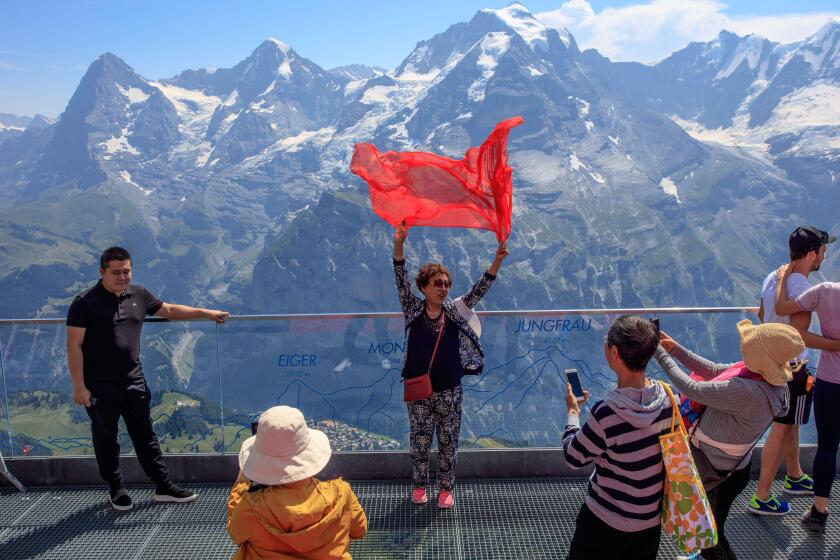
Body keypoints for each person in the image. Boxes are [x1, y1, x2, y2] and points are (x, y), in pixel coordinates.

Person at [66, 246, 229, 511]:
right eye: (116, 272)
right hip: (99, 386)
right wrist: (78, 386)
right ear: (102, 272)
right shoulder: (84, 302)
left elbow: (170, 310)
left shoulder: (138, 294)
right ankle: (116, 488)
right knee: (106, 438)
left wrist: (205, 313)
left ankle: (163, 486)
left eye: (127, 271)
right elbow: (74, 345)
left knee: (146, 436)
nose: (122, 277)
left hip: (134, 381)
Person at [656, 320, 804, 560]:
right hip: (734, 469)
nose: (743, 344)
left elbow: (691, 388)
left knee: (714, 539)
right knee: (712, 530)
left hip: (716, 473)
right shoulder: (764, 379)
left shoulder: (747, 391)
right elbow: (716, 371)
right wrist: (676, 350)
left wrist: (660, 355)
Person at [393, 221, 507, 509]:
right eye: (437, 283)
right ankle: (420, 487)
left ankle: (445, 489)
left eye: (446, 284)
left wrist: (497, 261)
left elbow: (479, 290)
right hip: (419, 389)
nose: (443, 288)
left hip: (450, 390)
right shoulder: (413, 308)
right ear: (424, 287)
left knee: (448, 442)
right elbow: (400, 277)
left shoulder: (455, 312)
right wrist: (399, 244)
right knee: (419, 442)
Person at [563, 315, 671, 560]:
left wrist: (572, 412)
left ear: (614, 352)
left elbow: (574, 457)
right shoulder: (666, 398)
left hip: (605, 521)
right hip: (650, 521)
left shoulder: (607, 413)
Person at [750, 225, 838, 516]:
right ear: (812, 254)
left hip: (770, 361)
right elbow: (801, 335)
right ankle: (762, 495)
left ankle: (795, 475)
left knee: (792, 419)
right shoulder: (800, 286)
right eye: (822, 253)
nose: (823, 258)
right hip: (793, 365)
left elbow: (763, 315)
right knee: (783, 425)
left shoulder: (773, 277)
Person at [227, 406, 367, 559]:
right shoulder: (341, 493)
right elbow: (359, 531)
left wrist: (242, 483)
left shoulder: (250, 507)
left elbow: (236, 534)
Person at [774, 258, 840, 532]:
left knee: (827, 446)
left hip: (831, 381)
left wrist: (781, 279)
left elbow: (782, 309)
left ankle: (818, 513)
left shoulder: (825, 291)